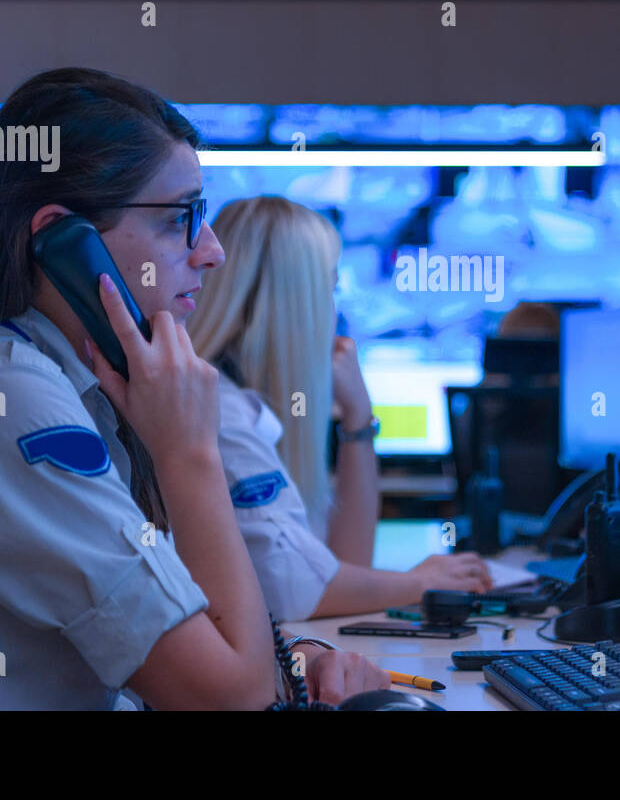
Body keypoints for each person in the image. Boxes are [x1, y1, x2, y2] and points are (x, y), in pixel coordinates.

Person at [0, 68, 386, 709]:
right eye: (178, 219)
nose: (212, 251)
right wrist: (188, 452)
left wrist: (292, 663)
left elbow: (199, 635)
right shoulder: (4, 405)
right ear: (64, 241)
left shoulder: (77, 395)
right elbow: (228, 702)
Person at [186, 196, 493, 620]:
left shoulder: (245, 406)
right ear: (300, 304)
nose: (334, 311)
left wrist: (358, 420)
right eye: (330, 289)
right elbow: (300, 591)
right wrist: (420, 583)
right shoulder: (223, 417)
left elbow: (346, 562)